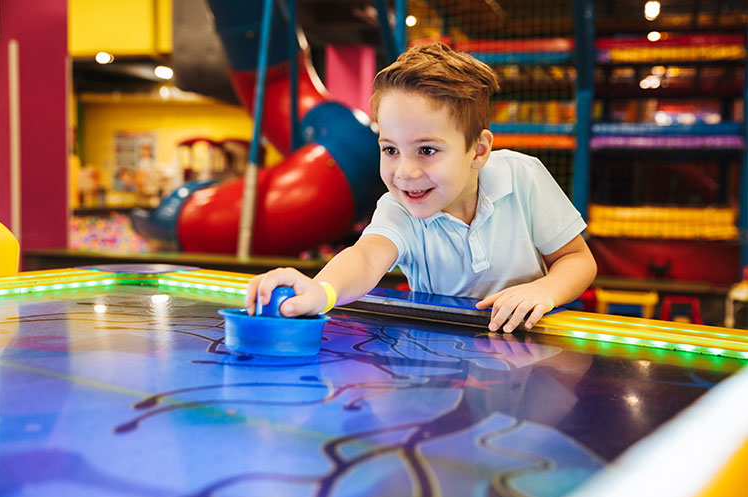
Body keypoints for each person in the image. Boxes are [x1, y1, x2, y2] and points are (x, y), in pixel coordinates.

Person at [246, 42, 597, 333]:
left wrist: (544, 290)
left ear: (478, 150)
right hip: (445, 352)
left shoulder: (523, 177)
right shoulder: (399, 207)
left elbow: (576, 259)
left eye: (427, 150)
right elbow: (366, 257)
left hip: (532, 343)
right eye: (390, 150)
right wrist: (322, 290)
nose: (405, 172)